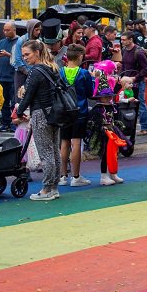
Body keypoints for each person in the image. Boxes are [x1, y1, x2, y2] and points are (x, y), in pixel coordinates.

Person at [14, 39, 64, 201]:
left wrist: (19, 111)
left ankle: (46, 189)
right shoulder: (52, 67)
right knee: (55, 151)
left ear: (36, 52)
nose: (25, 58)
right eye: (23, 55)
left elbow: (28, 95)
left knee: (46, 152)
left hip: (40, 114)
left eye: (27, 54)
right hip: (55, 112)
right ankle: (54, 187)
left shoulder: (35, 71)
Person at [58, 44, 94, 188]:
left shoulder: (60, 72)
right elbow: (90, 93)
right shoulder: (84, 73)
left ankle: (62, 176)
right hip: (79, 111)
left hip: (64, 111)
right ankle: (76, 176)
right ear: (80, 57)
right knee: (76, 142)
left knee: (64, 142)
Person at [85, 78, 127, 186]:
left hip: (113, 133)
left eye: (110, 96)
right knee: (105, 154)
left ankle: (113, 173)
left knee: (114, 154)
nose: (109, 99)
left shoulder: (112, 107)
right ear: (100, 98)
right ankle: (104, 176)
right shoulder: (97, 109)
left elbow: (114, 119)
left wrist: (118, 125)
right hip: (103, 135)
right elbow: (93, 123)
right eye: (106, 97)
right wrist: (102, 128)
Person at [119, 31, 147, 135]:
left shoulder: (138, 52)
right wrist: (122, 76)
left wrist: (134, 78)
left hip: (138, 82)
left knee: (140, 103)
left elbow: (146, 69)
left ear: (131, 40)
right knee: (128, 103)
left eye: (124, 39)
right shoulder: (124, 50)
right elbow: (124, 64)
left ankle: (145, 127)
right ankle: (130, 126)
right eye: (121, 39)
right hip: (126, 82)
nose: (122, 41)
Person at [0, 22, 19, 132]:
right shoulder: (1, 42)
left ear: (14, 30)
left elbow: (20, 59)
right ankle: (5, 123)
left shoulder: (19, 43)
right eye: (4, 30)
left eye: (8, 30)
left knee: (14, 102)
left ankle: (14, 123)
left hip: (13, 77)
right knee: (3, 102)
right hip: (1, 76)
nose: (5, 32)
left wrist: (8, 55)